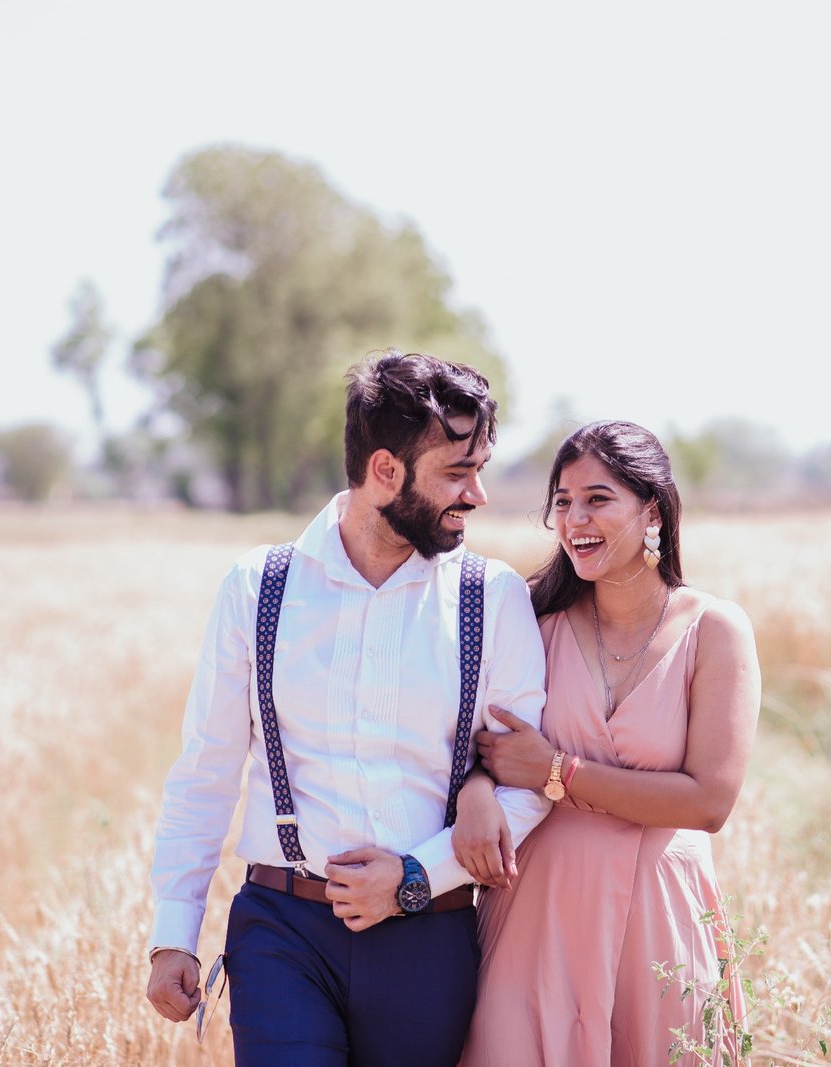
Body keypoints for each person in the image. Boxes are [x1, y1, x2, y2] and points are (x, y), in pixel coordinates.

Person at [144, 351, 550, 1067]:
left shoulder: (493, 597)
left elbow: (525, 780)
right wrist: (173, 931)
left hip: (428, 937)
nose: (479, 494)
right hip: (282, 930)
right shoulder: (257, 588)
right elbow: (205, 770)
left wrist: (418, 875)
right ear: (385, 471)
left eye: (480, 467)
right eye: (457, 471)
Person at [453, 420, 762, 1067]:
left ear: (652, 509)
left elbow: (709, 801)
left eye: (597, 498)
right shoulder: (533, 621)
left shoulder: (714, 630)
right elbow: (474, 746)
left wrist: (558, 771)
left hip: (658, 917)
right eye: (562, 502)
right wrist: (478, 791)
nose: (574, 519)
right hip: (536, 912)